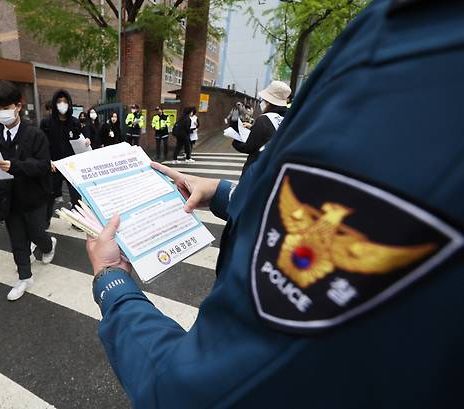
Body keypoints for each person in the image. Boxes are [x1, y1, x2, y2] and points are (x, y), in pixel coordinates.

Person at [85, 1, 464, 407]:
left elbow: (198, 392)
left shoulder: (420, 57)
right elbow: (294, 195)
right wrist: (226, 194)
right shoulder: (410, 35)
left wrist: (113, 280)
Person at [0, 80, 57, 301]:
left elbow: (43, 165)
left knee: (35, 232)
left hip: (34, 197)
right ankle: (24, 276)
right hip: (8, 198)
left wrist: (15, 166)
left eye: (5, 108)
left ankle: (47, 244)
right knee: (17, 239)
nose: (1, 113)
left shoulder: (34, 134)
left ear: (18, 106)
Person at [41, 90, 83, 222]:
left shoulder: (75, 123)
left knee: (76, 196)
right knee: (49, 194)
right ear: (54, 104)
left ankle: (78, 222)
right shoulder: (46, 123)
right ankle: (45, 221)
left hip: (71, 165)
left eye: (65, 101)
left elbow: (80, 142)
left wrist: (86, 141)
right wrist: (48, 161)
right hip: (54, 165)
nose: (62, 104)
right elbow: (42, 145)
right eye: (59, 101)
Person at [232, 80, 291, 173]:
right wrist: (252, 127)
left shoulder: (263, 120)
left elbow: (248, 147)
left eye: (264, 100)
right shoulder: (290, 118)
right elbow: (271, 133)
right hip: (277, 168)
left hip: (258, 170)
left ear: (269, 102)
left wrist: (235, 138)